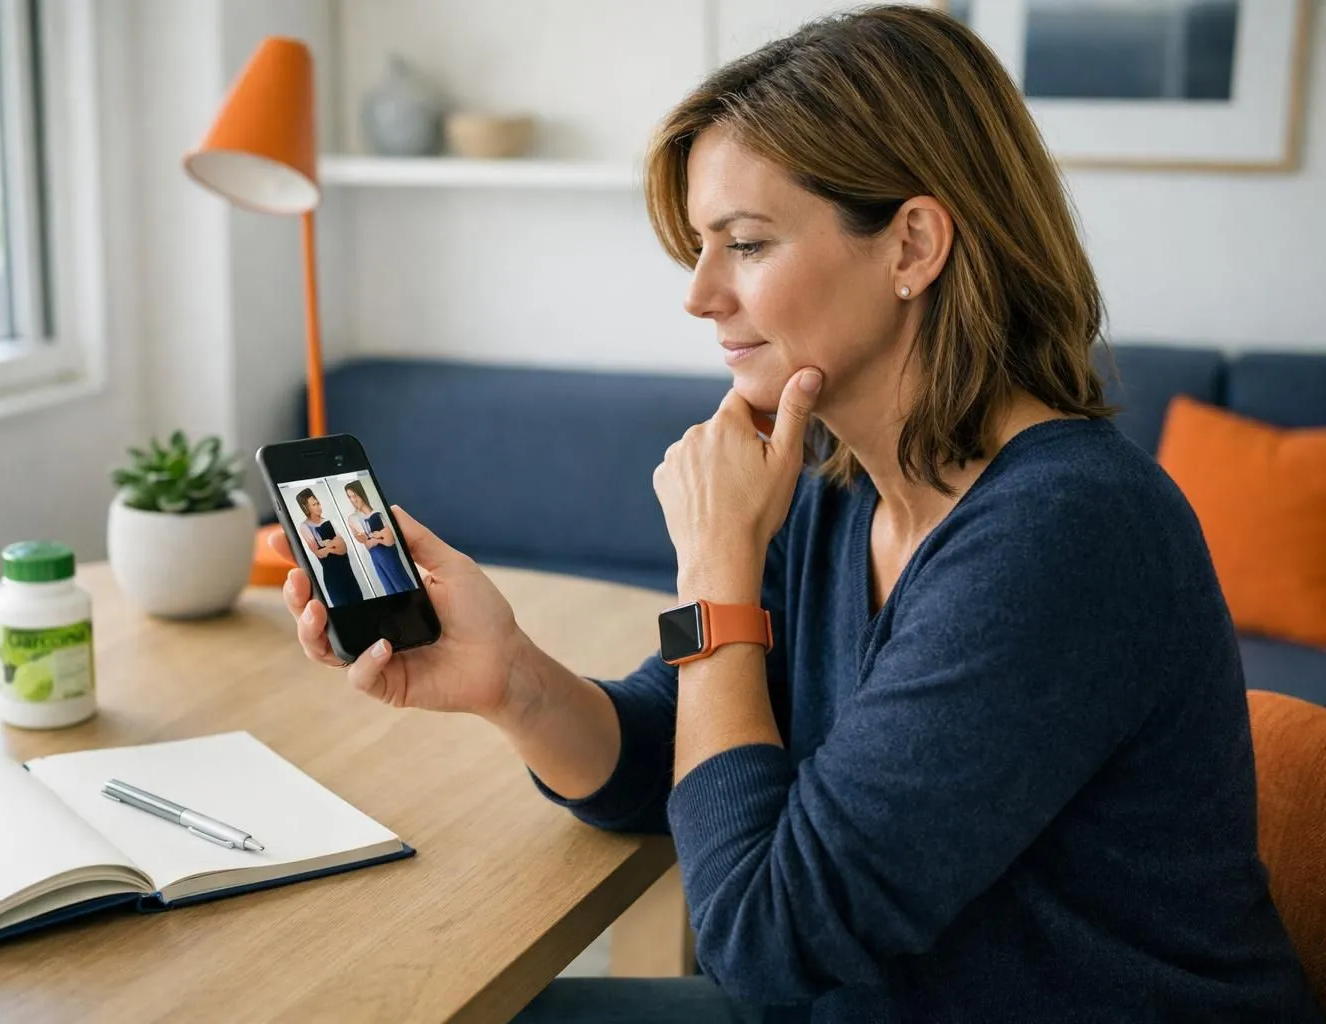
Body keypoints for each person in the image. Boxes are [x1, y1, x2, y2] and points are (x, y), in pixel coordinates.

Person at [270, 6, 1320, 1021]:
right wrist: (513, 681)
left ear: (912, 245)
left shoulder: (1068, 533)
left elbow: (767, 935)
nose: (698, 294)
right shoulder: (839, 486)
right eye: (698, 245)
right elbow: (676, 759)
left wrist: (717, 572)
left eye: (748, 243)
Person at [294, 488, 363, 607]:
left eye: (318, 503)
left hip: (348, 573)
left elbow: (343, 548)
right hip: (333, 578)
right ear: (306, 508)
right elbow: (320, 553)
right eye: (314, 505)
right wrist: (333, 544)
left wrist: (327, 545)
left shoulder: (329, 521)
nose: (318, 507)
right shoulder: (305, 527)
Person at [344, 480, 415, 595]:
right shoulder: (352, 519)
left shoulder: (378, 513)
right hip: (376, 557)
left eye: (355, 495)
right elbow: (365, 542)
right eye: (350, 497)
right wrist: (377, 537)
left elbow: (390, 540)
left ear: (361, 494)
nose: (353, 500)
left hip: (390, 555)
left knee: (401, 583)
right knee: (389, 586)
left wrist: (374, 538)